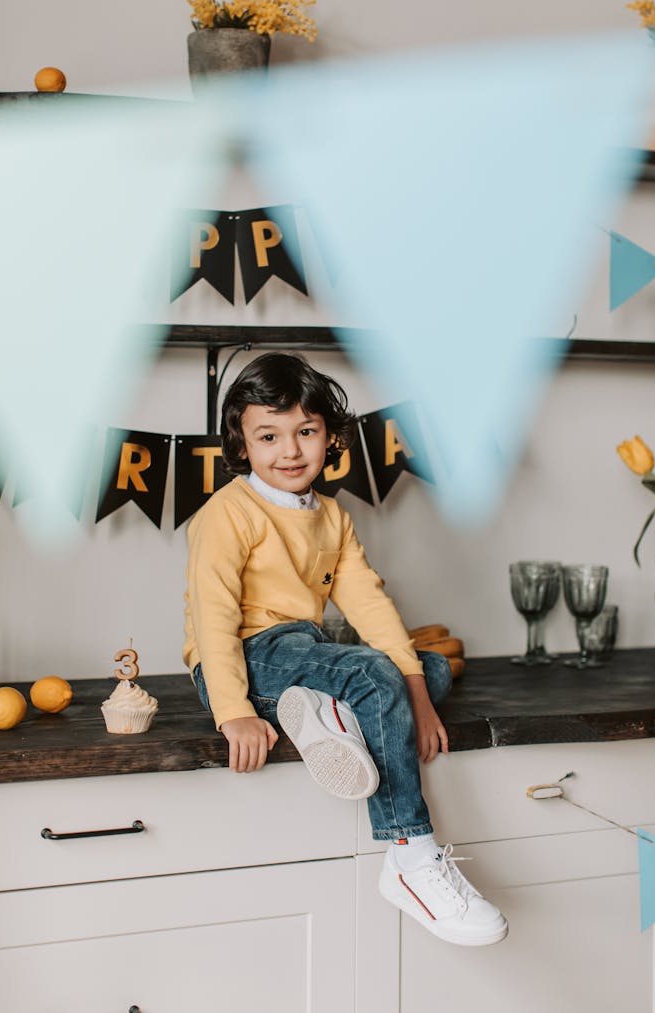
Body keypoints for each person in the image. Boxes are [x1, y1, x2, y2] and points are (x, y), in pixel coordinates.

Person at [183, 352, 508, 947]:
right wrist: (232, 712)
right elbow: (213, 618)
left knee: (427, 669)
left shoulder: (331, 518)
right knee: (379, 675)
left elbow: (370, 605)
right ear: (242, 442)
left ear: (329, 436)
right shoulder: (227, 514)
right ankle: (410, 857)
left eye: (306, 431)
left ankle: (333, 714)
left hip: (304, 651)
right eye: (269, 435)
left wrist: (419, 696)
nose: (290, 450)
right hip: (242, 656)